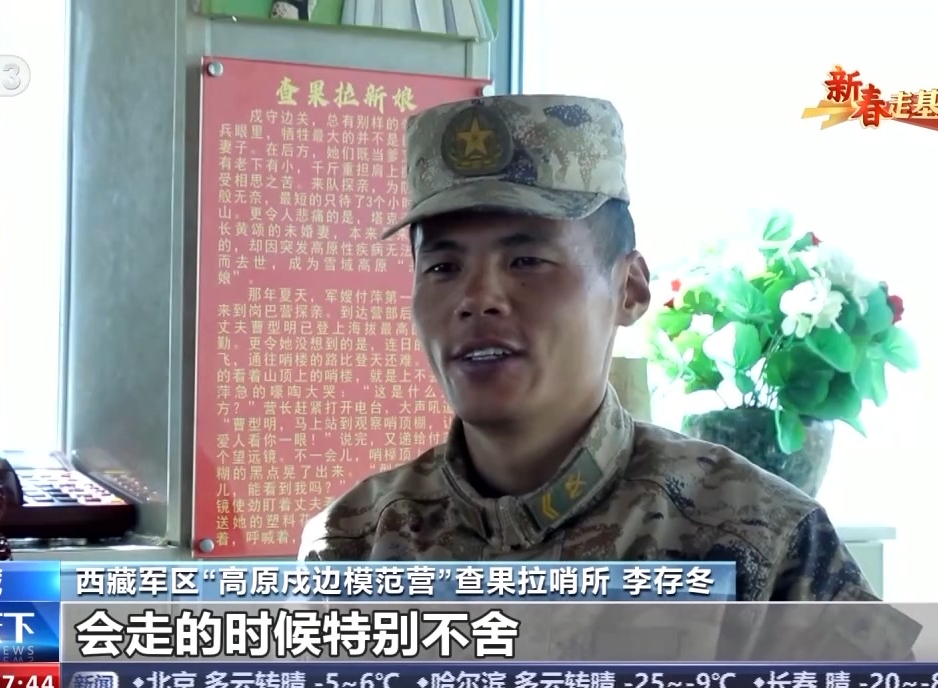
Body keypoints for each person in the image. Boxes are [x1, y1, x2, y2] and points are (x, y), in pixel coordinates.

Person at [298, 94, 889, 607]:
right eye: (443, 267)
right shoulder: (353, 546)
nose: (477, 300)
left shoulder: (765, 539)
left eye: (526, 261)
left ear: (629, 289)